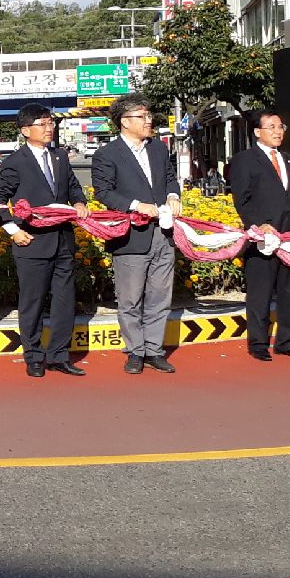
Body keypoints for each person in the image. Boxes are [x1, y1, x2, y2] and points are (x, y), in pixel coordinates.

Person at [0, 104, 90, 378]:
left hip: (62, 240)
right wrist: (13, 231)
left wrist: (80, 202)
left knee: (64, 300)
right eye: (43, 123)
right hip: (31, 242)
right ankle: (34, 356)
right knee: (32, 302)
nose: (50, 128)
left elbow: (72, 186)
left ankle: (59, 355)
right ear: (26, 130)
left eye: (51, 123)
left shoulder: (59, 157)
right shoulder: (15, 162)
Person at [91, 94, 181, 375]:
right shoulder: (107, 155)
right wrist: (135, 205)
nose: (149, 120)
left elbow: (169, 177)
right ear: (124, 122)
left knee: (160, 295)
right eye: (142, 116)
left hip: (163, 233)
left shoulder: (158, 149)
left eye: (149, 115)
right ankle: (135, 350)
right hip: (130, 234)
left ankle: (154, 350)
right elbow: (104, 192)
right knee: (130, 299)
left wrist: (173, 194)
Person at [229, 109, 290, 361]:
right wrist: (259, 225)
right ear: (258, 132)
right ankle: (258, 344)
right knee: (260, 291)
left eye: (281, 127)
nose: (278, 132)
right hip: (262, 238)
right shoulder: (245, 160)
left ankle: (287, 342)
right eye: (272, 127)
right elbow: (241, 200)